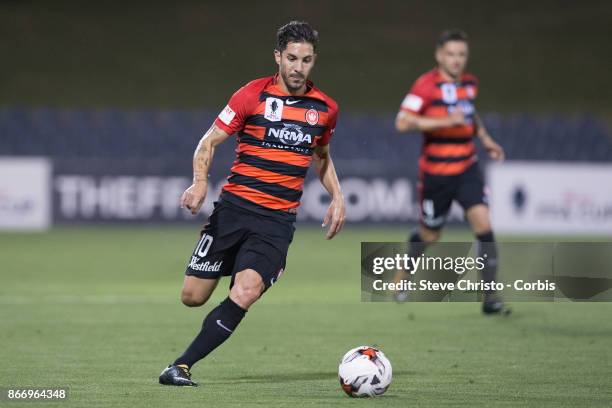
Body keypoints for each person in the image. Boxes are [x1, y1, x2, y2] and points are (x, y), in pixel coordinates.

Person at [159, 21, 345, 386]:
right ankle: (250, 263)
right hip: (232, 211)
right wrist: (199, 184)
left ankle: (180, 366)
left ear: (313, 61)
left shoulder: (324, 108)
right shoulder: (251, 95)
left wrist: (338, 196)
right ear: (278, 56)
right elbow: (208, 142)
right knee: (192, 296)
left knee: (245, 291)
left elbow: (321, 157)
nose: (298, 67)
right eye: (291, 58)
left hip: (276, 222)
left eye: (306, 60)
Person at [394, 29, 508, 314]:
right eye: (451, 54)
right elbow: (402, 122)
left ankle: (490, 299)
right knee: (430, 235)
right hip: (436, 175)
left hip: (467, 168)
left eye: (461, 55)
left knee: (484, 227)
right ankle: (404, 273)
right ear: (439, 55)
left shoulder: (469, 83)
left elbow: (471, 114)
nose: (456, 60)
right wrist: (444, 120)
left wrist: (486, 140)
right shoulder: (425, 86)